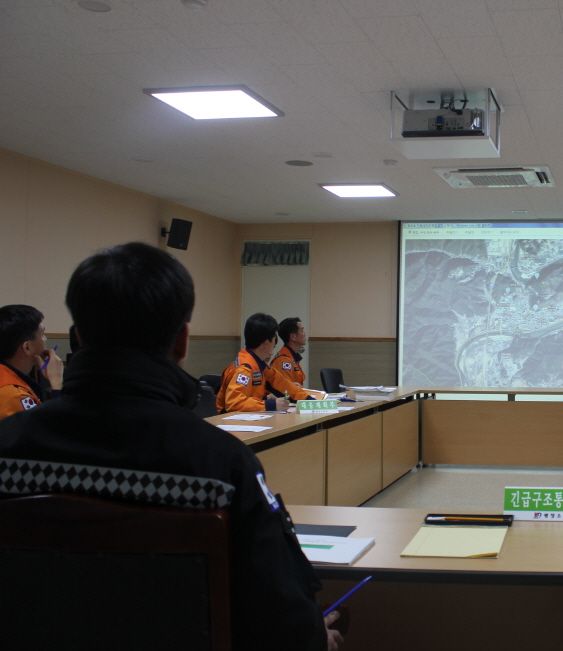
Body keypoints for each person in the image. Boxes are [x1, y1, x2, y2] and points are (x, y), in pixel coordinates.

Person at [0, 242, 342, 649]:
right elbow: (280, 614)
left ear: (77, 338)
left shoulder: (7, 448)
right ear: (182, 342)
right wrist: (315, 635)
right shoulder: (222, 466)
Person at [217, 313, 315, 413]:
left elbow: (283, 385)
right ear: (266, 343)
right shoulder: (244, 369)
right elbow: (234, 403)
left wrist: (310, 400)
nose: (274, 344)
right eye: (274, 340)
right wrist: (271, 405)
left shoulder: (260, 365)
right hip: (227, 418)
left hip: (251, 416)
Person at [0, 305, 63, 419]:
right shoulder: (14, 395)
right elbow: (52, 428)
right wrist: (57, 383)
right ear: (27, 347)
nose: (45, 339)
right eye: (42, 335)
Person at [272, 317, 308, 388]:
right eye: (302, 330)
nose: (305, 334)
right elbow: (287, 390)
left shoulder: (292, 357)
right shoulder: (283, 360)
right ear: (293, 336)